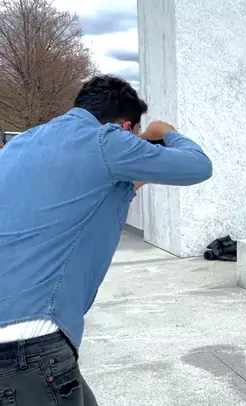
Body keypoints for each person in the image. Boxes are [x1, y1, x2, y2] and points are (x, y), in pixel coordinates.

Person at [0, 75, 213, 405]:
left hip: (27, 346)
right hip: (30, 348)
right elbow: (198, 166)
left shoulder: (22, 144)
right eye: (135, 135)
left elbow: (106, 192)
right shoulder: (107, 141)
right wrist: (165, 132)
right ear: (125, 126)